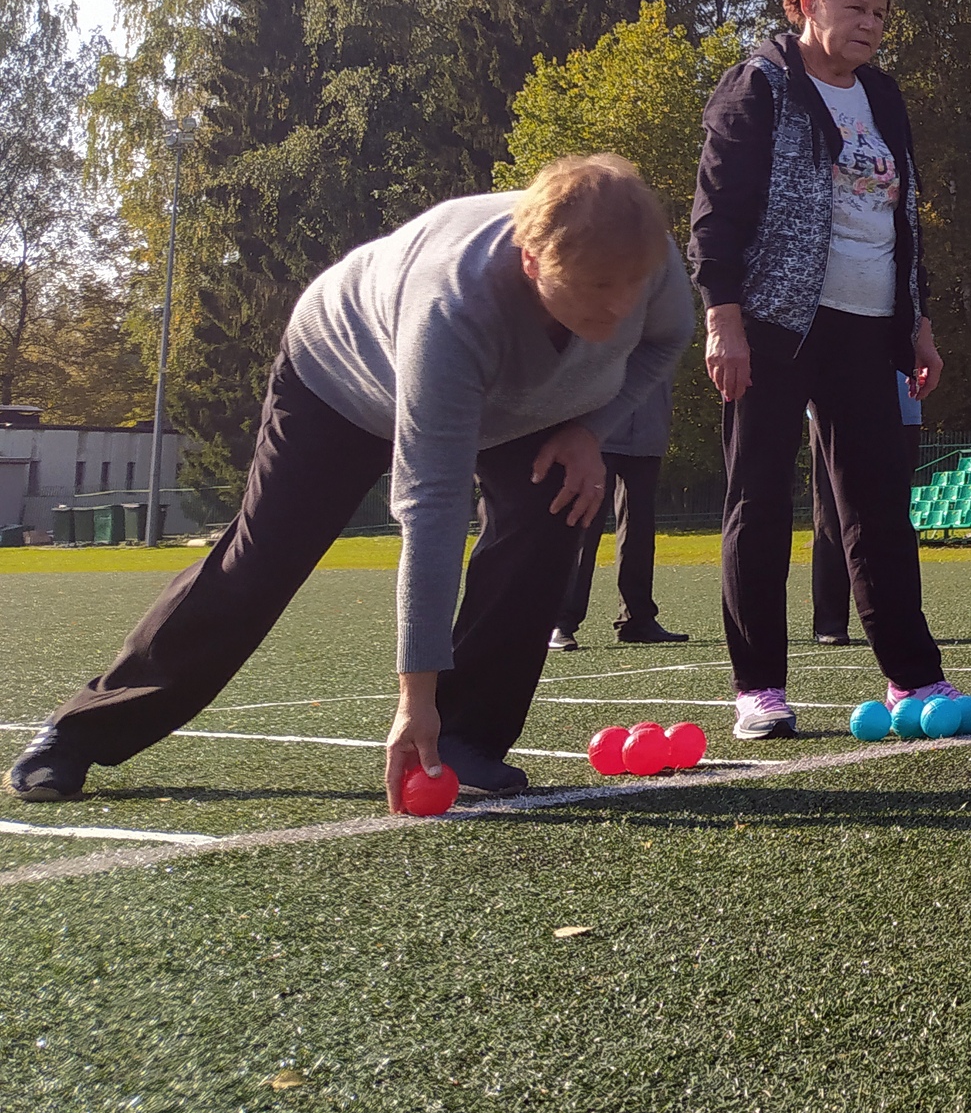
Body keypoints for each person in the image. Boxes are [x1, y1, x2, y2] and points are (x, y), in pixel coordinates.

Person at [9, 157, 692, 806]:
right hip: (346, 379)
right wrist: (412, 699)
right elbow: (433, 507)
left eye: (630, 287)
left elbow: (664, 340)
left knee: (558, 503)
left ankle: (464, 740)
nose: (619, 310)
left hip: (527, 407)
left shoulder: (644, 262)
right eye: (596, 291)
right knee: (263, 560)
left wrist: (590, 430)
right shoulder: (452, 306)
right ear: (531, 261)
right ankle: (81, 731)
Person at [694, 0, 971, 741]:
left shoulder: (883, 97)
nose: (870, 24)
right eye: (854, 6)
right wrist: (723, 319)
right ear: (805, 4)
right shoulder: (758, 85)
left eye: (881, 12)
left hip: (869, 326)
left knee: (878, 505)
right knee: (757, 498)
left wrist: (917, 321)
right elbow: (715, 214)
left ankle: (913, 676)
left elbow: (905, 218)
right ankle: (758, 687)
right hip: (773, 323)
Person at [550, 373, 689, 650]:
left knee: (640, 530)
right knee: (584, 527)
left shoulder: (662, 329)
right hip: (599, 432)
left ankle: (637, 619)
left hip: (648, 431)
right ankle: (560, 622)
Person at [811, 374, 921, 646]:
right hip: (832, 405)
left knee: (894, 517)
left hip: (902, 406)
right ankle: (831, 621)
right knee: (831, 516)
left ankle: (900, 620)